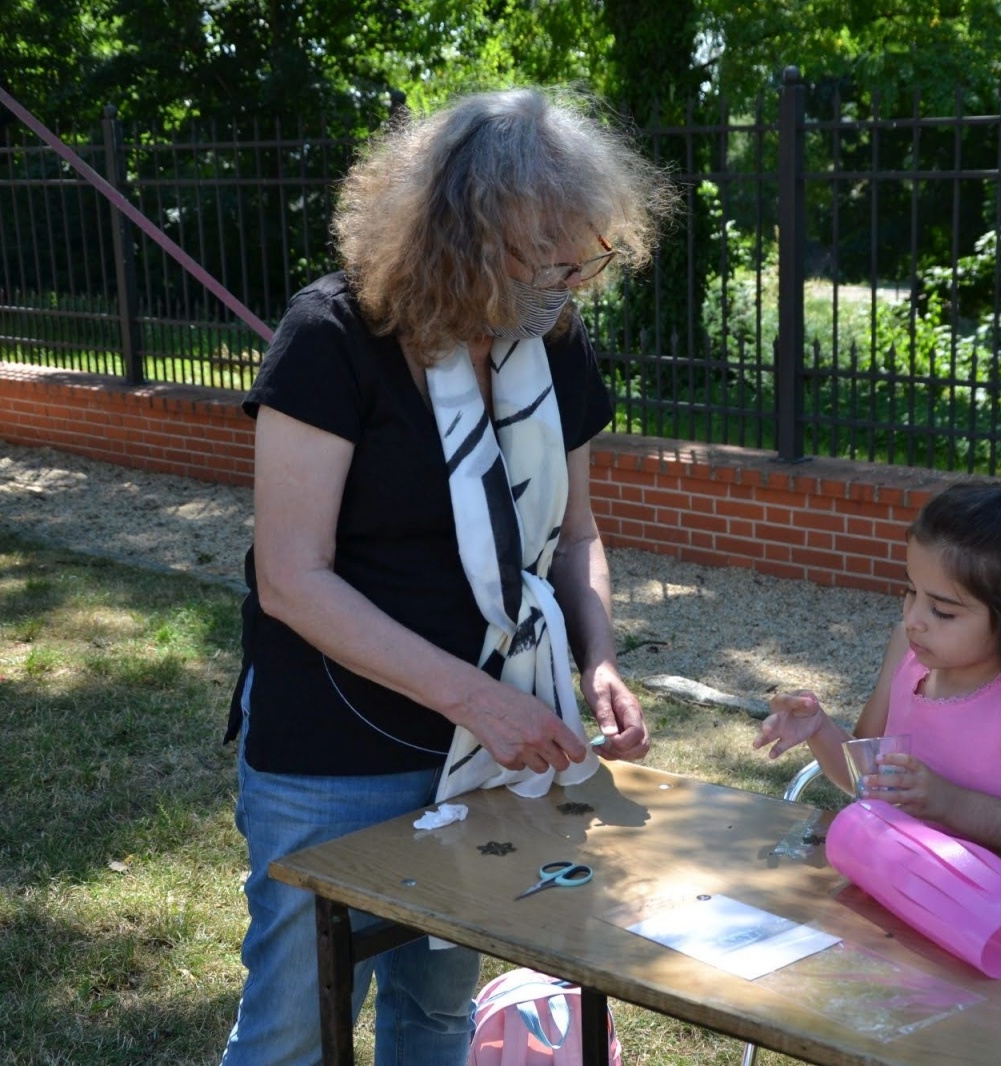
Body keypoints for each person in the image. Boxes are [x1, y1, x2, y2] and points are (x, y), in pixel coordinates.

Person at [221, 86, 672, 1066]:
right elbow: (293, 579)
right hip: (332, 752)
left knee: (434, 1016)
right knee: (296, 1026)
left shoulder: (550, 337)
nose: (570, 283)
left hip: (487, 753)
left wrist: (597, 655)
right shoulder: (330, 336)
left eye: (583, 258)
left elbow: (573, 534)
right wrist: (479, 699)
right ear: (459, 236)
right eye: (543, 259)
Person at [752, 457, 1001, 864]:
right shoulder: (906, 653)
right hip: (893, 884)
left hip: (991, 908)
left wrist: (950, 804)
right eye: (911, 592)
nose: (913, 620)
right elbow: (870, 781)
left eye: (942, 611)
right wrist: (818, 728)